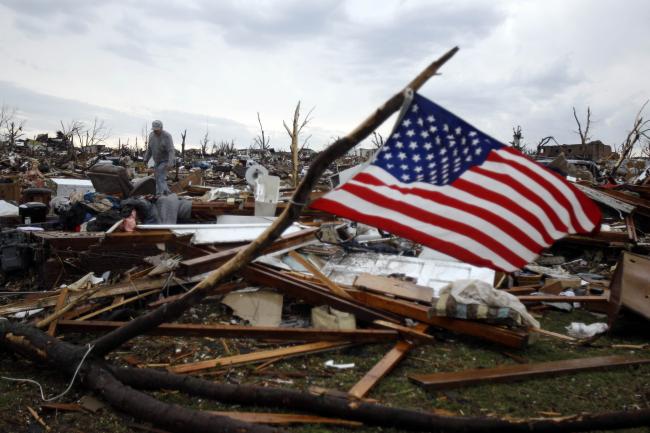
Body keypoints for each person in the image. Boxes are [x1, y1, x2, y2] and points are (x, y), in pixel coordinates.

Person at [144, 120, 175, 195]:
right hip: (157, 161)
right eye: (154, 130)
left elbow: (171, 150)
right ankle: (161, 193)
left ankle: (163, 194)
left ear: (161, 128)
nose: (155, 131)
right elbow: (149, 149)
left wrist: (170, 163)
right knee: (157, 178)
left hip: (165, 160)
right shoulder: (151, 136)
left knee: (160, 176)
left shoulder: (167, 136)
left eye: (157, 130)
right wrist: (146, 158)